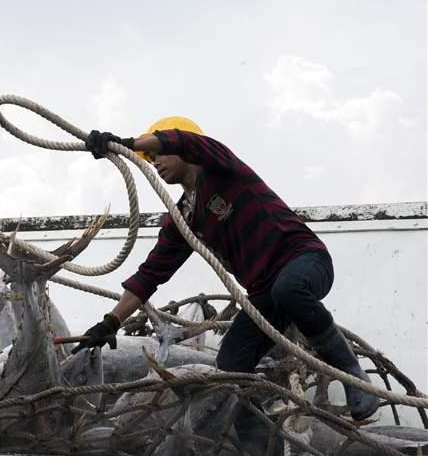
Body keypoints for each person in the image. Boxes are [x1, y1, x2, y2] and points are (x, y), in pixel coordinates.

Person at [74, 116, 380, 423]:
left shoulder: (221, 166)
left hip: (305, 260)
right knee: (230, 369)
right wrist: (109, 323)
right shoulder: (183, 219)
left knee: (288, 288)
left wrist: (128, 144)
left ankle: (352, 374)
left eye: (158, 153)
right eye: (150, 159)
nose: (155, 162)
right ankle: (259, 448)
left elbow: (185, 141)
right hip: (265, 296)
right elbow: (149, 275)